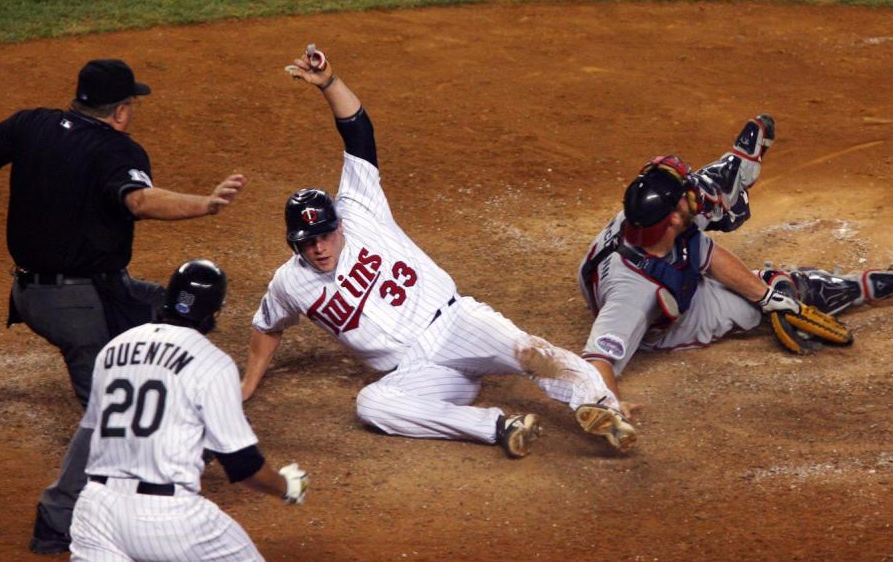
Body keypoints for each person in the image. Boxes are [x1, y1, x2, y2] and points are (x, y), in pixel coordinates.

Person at [241, 46, 635, 461]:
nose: (318, 247)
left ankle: (603, 408)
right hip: (419, 373)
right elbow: (267, 325)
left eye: (324, 235)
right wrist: (248, 384)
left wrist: (331, 84)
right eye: (306, 241)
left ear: (338, 225)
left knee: (528, 351)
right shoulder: (290, 282)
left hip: (455, 324)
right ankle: (498, 427)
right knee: (372, 405)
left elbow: (358, 133)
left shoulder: (358, 209)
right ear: (294, 243)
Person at [0, 59, 247, 554]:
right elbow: (139, 201)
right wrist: (205, 204)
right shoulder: (116, 149)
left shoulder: (31, 124)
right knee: (110, 413)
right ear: (122, 111)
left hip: (56, 289)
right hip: (73, 303)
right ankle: (57, 517)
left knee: (176, 311)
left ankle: (188, 434)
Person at [577, 115, 893, 410]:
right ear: (673, 221)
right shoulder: (631, 299)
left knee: (701, 198)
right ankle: (840, 289)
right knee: (781, 290)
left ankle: (729, 174)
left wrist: (765, 296)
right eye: (679, 206)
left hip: (659, 257)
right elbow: (597, 361)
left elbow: (707, 254)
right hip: (674, 318)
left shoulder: (642, 215)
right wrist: (609, 409)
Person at [70, 259, 308, 561]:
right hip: (169, 517)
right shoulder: (212, 363)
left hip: (95, 513)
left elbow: (93, 431)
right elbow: (243, 467)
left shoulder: (112, 350)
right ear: (215, 313)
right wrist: (287, 486)